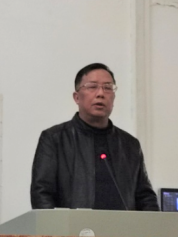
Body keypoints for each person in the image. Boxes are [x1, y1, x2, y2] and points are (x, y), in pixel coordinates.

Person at [30, 63, 159, 211]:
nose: (101, 94)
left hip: (122, 226)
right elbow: (41, 194)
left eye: (108, 87)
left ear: (114, 97)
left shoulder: (130, 144)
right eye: (92, 86)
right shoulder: (55, 139)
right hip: (73, 225)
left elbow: (145, 197)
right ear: (77, 97)